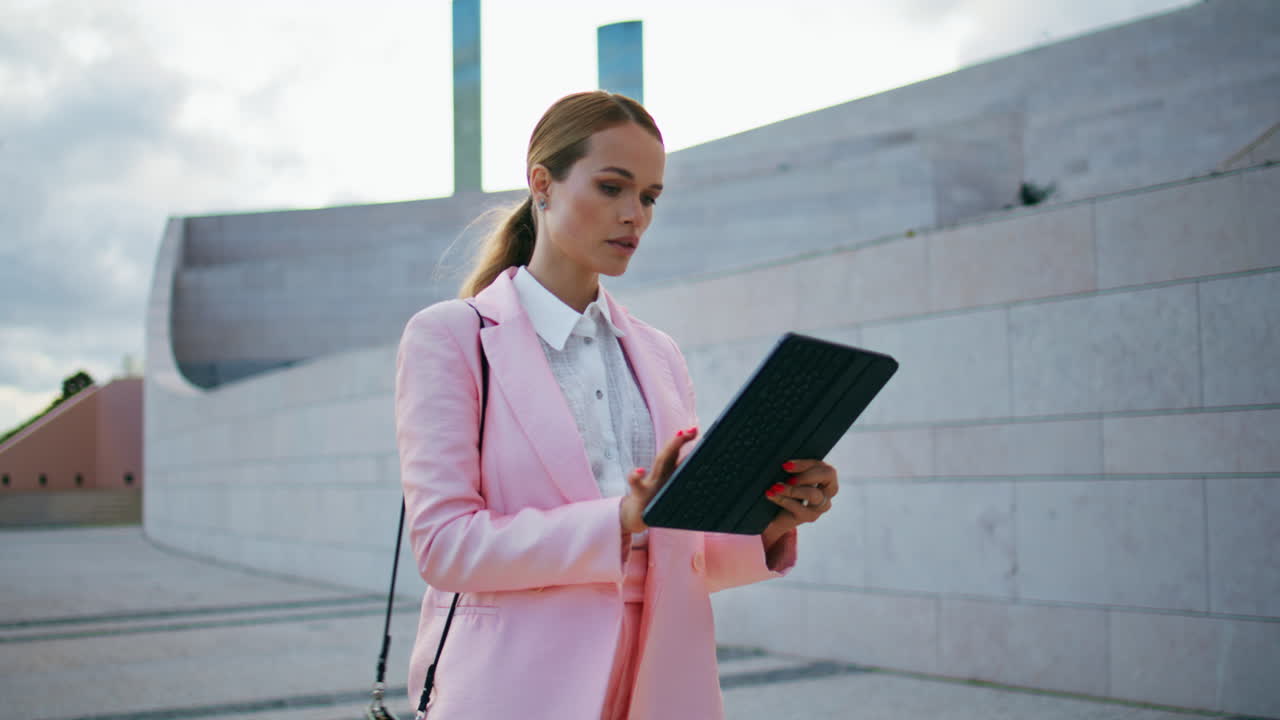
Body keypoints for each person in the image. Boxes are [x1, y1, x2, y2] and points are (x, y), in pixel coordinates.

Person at [394, 90, 839, 720]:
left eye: (650, 196)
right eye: (612, 187)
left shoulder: (659, 354)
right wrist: (619, 519)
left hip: (662, 687)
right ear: (542, 184)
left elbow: (681, 555)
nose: (635, 215)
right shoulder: (451, 336)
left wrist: (770, 522)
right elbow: (444, 547)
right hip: (519, 690)